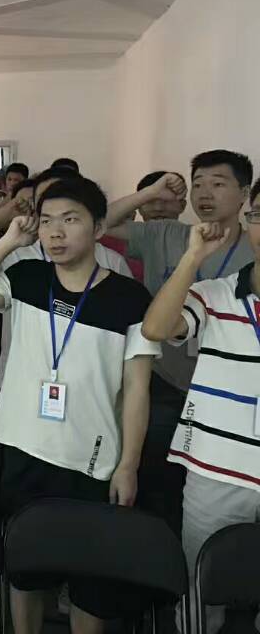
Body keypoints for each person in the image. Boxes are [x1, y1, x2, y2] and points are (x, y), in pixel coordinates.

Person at [0, 176, 159, 634]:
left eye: (70, 220)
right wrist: (9, 240)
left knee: (90, 578)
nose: (56, 232)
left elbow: (137, 389)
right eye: (46, 222)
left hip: (91, 460)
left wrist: (128, 465)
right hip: (23, 447)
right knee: (25, 568)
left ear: (99, 227)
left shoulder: (129, 297)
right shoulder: (27, 277)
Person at [103, 150, 254, 537]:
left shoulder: (254, 249)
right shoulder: (167, 233)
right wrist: (150, 192)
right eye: (198, 184)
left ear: (244, 195)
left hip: (225, 395)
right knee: (156, 478)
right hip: (166, 381)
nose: (205, 193)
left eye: (218, 184)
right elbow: (101, 223)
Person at [141, 190, 260, 634]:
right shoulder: (215, 293)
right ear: (248, 223)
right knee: (201, 583)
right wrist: (193, 258)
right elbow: (156, 328)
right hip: (216, 467)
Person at [0, 168, 133, 389]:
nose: (57, 229)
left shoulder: (113, 263)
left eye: (68, 216)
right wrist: (6, 224)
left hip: (91, 389)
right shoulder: (19, 258)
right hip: (19, 384)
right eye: (45, 206)